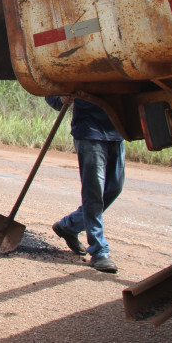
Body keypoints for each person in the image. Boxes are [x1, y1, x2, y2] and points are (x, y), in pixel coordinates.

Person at [47, 95, 124, 273]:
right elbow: (47, 82)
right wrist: (59, 98)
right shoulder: (77, 65)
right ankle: (99, 251)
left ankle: (69, 226)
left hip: (117, 129)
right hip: (89, 129)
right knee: (94, 193)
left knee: (114, 188)